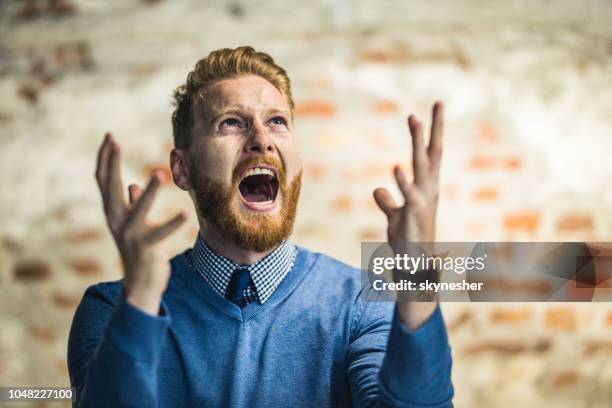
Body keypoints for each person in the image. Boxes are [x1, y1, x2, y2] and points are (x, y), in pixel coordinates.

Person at [67, 46, 453, 407]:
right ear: (182, 169)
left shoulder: (364, 303)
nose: (262, 140)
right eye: (231, 123)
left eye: (277, 122)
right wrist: (141, 303)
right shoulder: (110, 308)